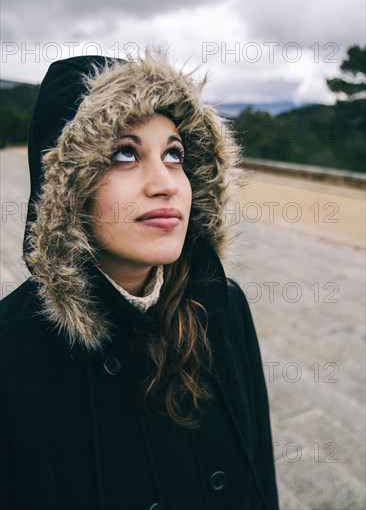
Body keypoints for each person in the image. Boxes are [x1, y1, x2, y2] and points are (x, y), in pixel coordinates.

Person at [0, 48, 279, 510]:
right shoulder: (11, 355)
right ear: (65, 189)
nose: (165, 182)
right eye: (125, 153)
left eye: (174, 154)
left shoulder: (224, 307)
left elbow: (261, 479)